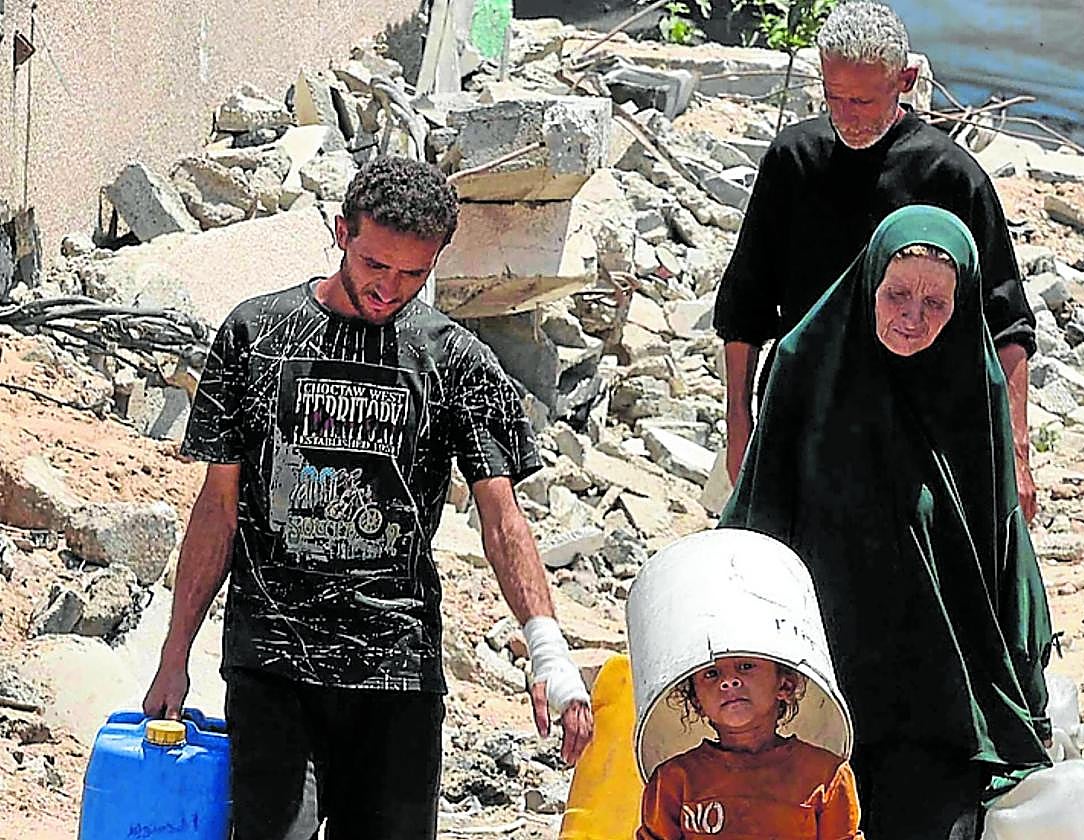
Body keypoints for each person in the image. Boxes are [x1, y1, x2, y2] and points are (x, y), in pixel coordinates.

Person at [142, 156, 594, 839]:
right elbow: (217, 509)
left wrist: (548, 652)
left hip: (397, 672)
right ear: (341, 232)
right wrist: (175, 652)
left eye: (413, 274)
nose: (389, 289)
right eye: (375, 265)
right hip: (273, 662)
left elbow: (502, 517)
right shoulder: (255, 336)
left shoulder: (454, 359)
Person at [721, 205, 1053, 840]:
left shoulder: (972, 386)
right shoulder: (807, 366)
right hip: (822, 675)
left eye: (936, 303)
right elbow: (759, 506)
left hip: (936, 688)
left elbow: (1000, 546)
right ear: (870, 281)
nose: (913, 316)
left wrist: (1022, 681)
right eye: (898, 294)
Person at [714, 0, 1039, 523]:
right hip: (805, 419)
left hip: (919, 428)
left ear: (904, 79)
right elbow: (744, 308)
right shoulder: (793, 162)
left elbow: (1007, 324)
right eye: (833, 98)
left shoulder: (950, 178)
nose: (847, 116)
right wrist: (740, 428)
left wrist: (1016, 456)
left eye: (863, 101)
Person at [638, 655, 861, 840]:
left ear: (784, 685)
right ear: (697, 702)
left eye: (745, 667)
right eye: (712, 674)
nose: (729, 682)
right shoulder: (674, 780)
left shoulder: (826, 776)